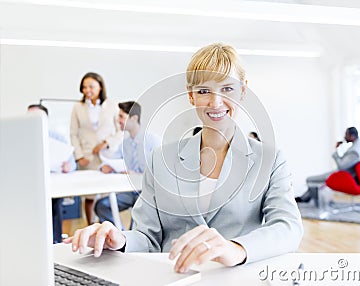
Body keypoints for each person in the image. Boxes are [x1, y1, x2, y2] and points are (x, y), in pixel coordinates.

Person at [65, 43, 303, 273]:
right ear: (191, 96)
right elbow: (147, 235)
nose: (215, 102)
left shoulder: (270, 160)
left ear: (243, 90)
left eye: (227, 89)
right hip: (174, 276)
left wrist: (236, 249)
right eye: (204, 91)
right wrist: (119, 239)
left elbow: (288, 227)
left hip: (235, 278)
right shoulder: (161, 159)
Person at [95, 101, 161, 228]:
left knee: (137, 216)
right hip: (130, 191)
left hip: (148, 193)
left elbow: (161, 171)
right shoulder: (124, 144)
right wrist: (107, 167)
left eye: (121, 117)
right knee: (101, 206)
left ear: (134, 118)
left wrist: (137, 174)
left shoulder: (153, 140)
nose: (118, 120)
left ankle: (130, 238)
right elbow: (110, 159)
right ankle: (121, 235)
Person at [70, 72, 123, 225]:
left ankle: (107, 227)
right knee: (89, 196)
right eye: (84, 87)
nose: (88, 90)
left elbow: (120, 131)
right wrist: (79, 156)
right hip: (87, 157)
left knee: (107, 196)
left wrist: (106, 143)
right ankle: (90, 226)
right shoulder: (77, 107)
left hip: (107, 156)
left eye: (91, 86)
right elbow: (73, 134)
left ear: (100, 87)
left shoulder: (112, 105)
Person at [27, 104, 77, 243]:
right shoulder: (23, 136)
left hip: (53, 182)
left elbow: (72, 163)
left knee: (54, 203)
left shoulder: (57, 137)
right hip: (30, 183)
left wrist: (68, 166)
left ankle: (55, 243)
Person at [296, 127, 360, 203]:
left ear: (352, 136)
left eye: (346, 134)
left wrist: (336, 150)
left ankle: (312, 201)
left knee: (309, 179)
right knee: (316, 181)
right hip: (345, 174)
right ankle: (305, 198)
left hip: (343, 176)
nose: (344, 137)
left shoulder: (355, 152)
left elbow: (341, 167)